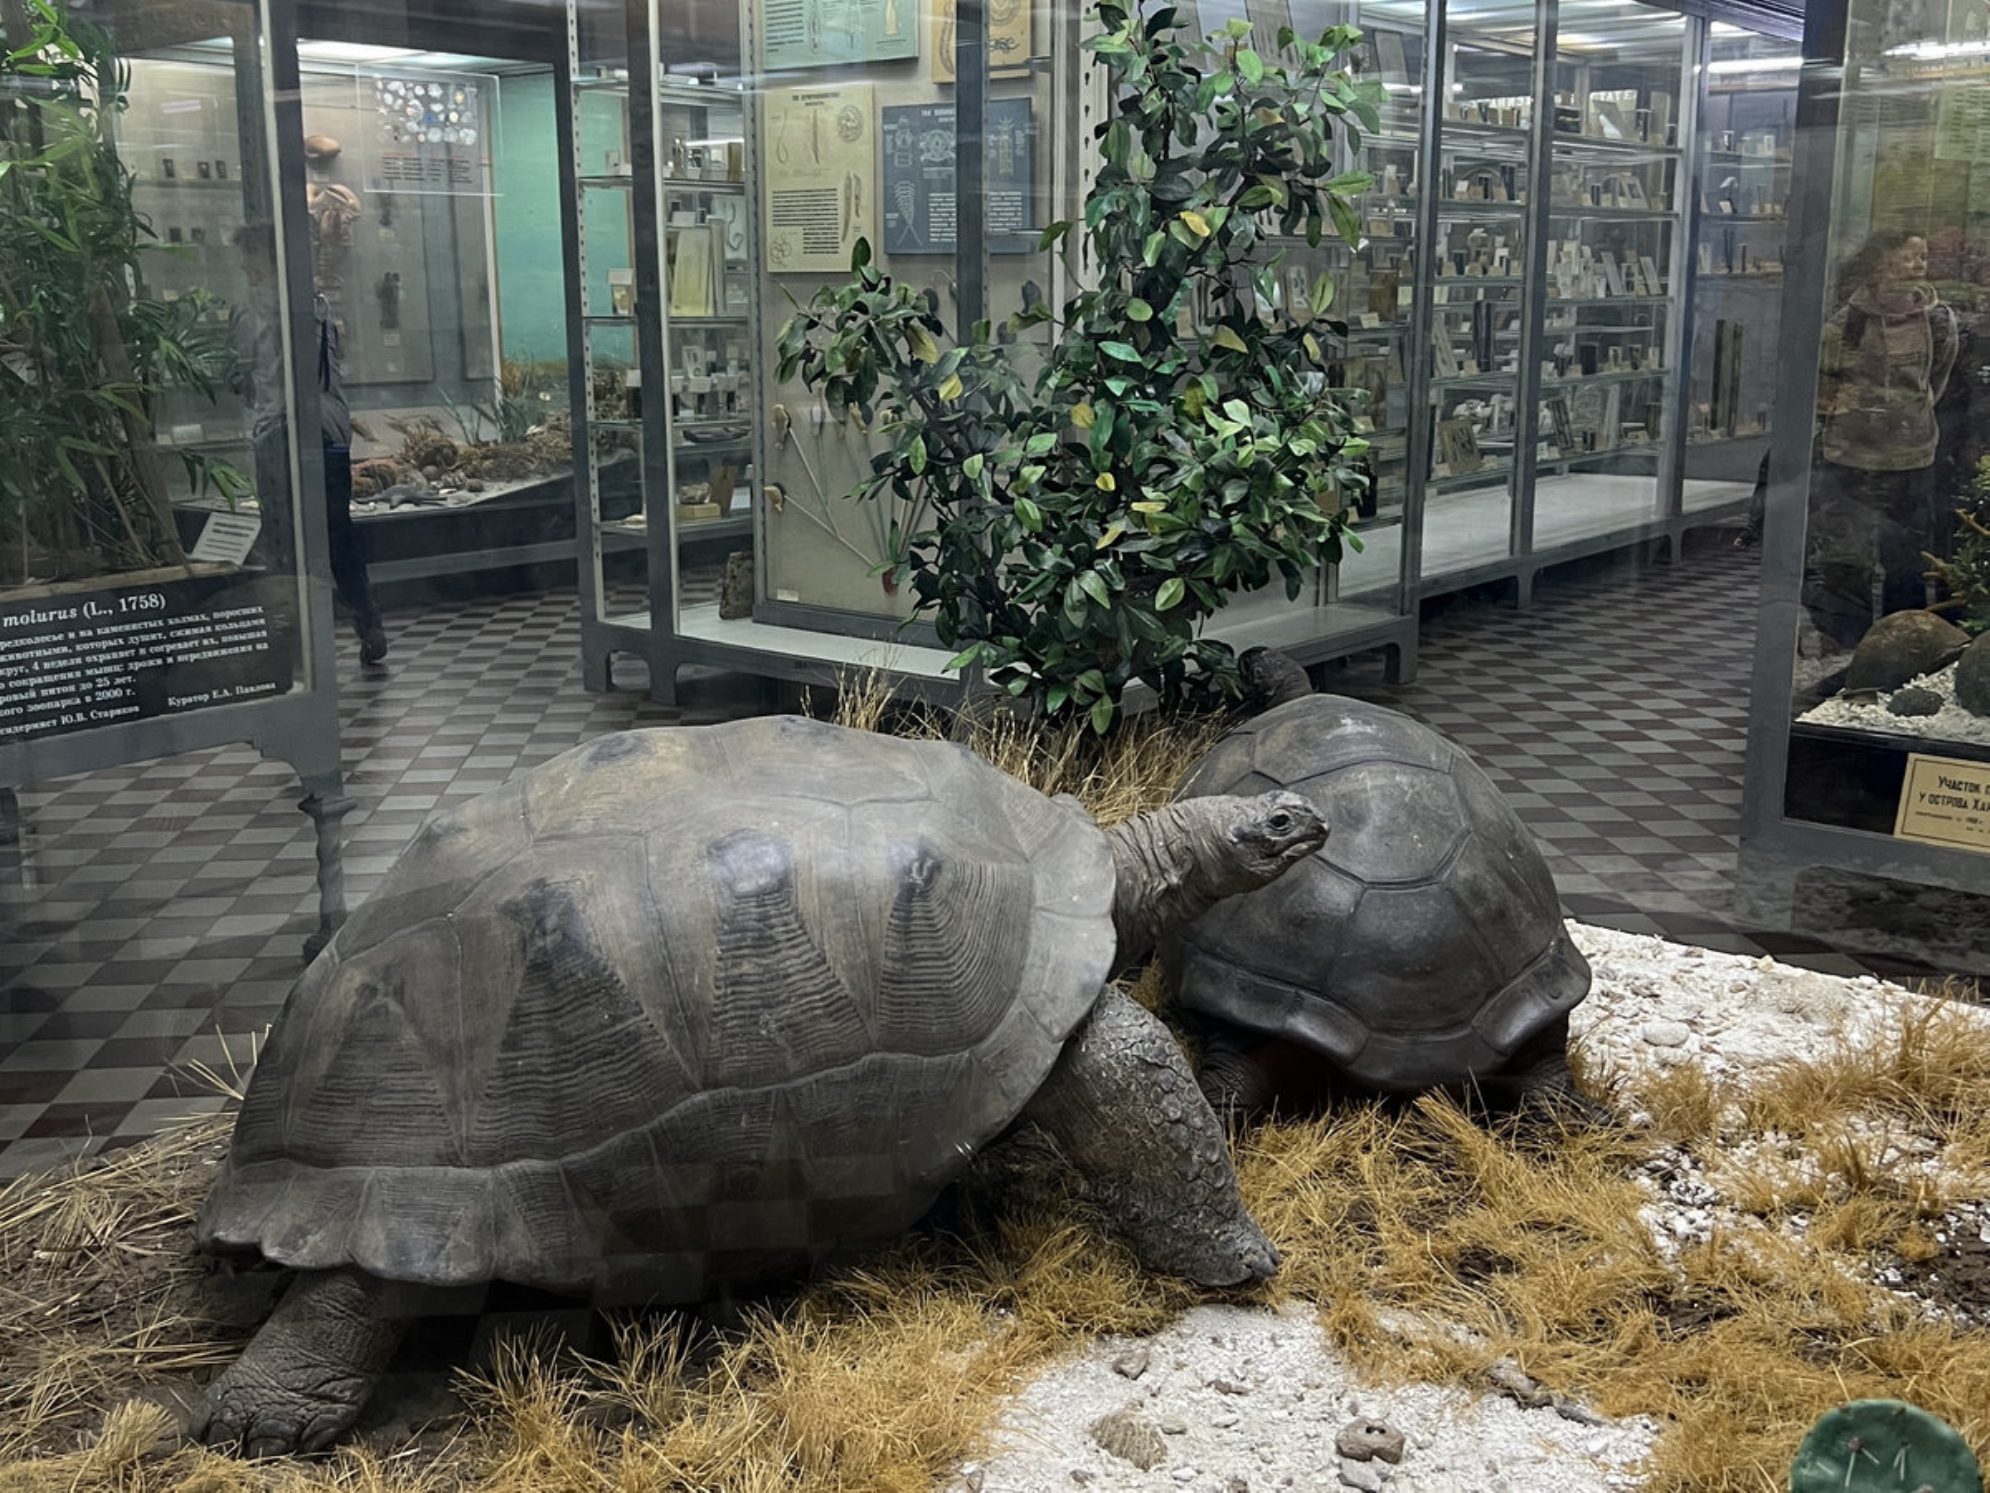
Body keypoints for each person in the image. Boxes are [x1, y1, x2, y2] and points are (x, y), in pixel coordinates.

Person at [232, 221, 388, 666]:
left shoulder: (255, 308)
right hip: (328, 431)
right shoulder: (317, 304)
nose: (245, 266)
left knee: (284, 535)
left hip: (281, 433)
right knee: (338, 533)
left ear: (272, 257)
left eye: (252, 255)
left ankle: (295, 640)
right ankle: (366, 619)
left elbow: (245, 379)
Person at [1802, 230, 1958, 651]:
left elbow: (1936, 378)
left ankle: (1898, 645)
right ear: (1881, 265)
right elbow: (1826, 377)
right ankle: (1845, 642)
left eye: (1923, 257)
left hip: (1913, 457)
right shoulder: (1848, 321)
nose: (1919, 266)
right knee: (1847, 554)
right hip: (1851, 455)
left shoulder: (1938, 318)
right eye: (1909, 258)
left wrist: (1907, 414)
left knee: (1906, 557)